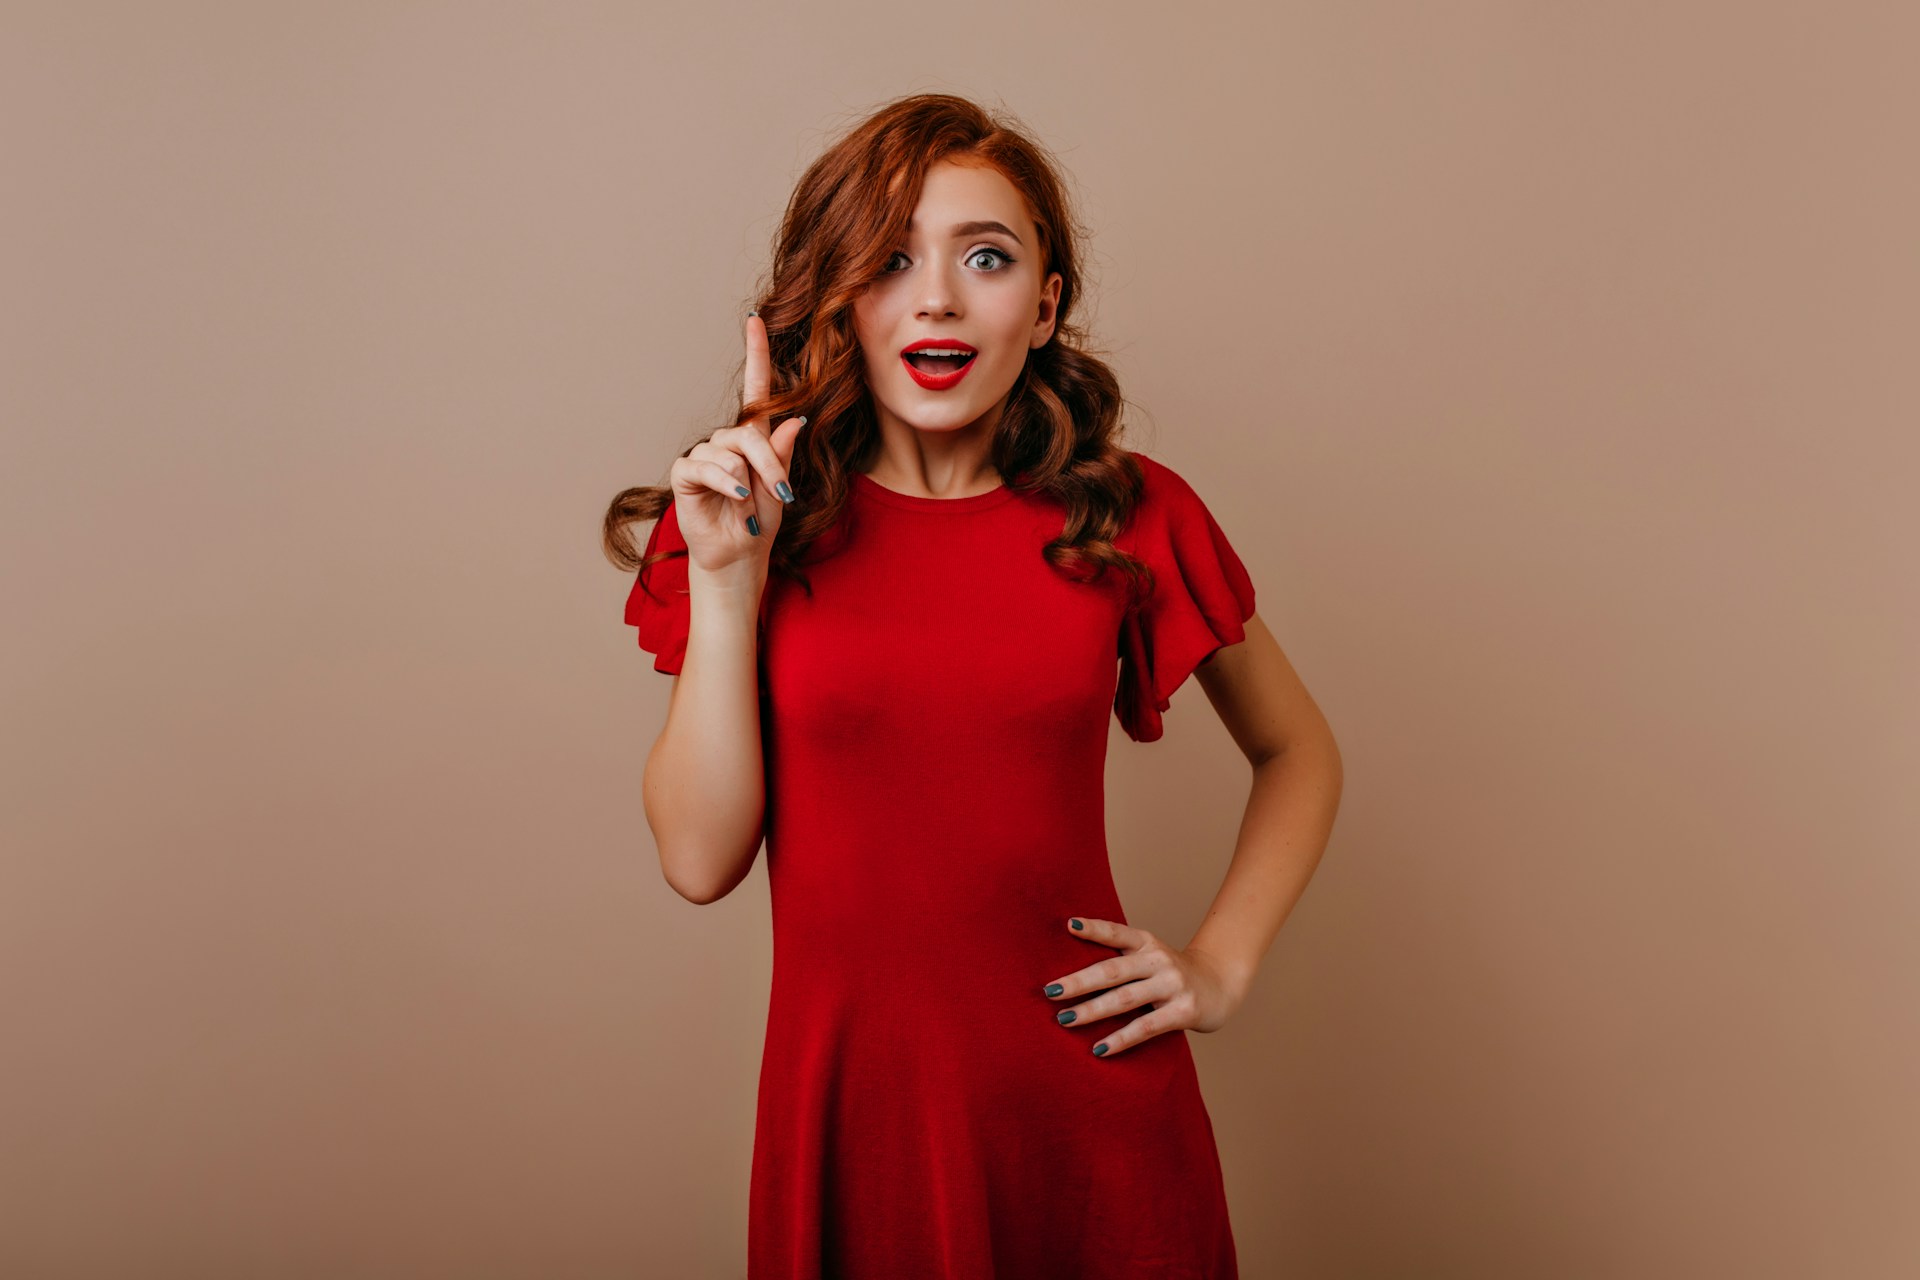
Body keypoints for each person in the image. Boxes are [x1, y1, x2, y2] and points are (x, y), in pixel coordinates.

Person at [602, 91, 1343, 1280]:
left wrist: (1218, 965)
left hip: (1090, 1115)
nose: (937, 296)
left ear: (1045, 304)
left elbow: (1300, 752)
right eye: (890, 259)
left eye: (985, 256)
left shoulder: (1135, 512)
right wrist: (733, 579)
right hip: (858, 1120)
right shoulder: (741, 521)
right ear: (838, 294)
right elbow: (698, 859)